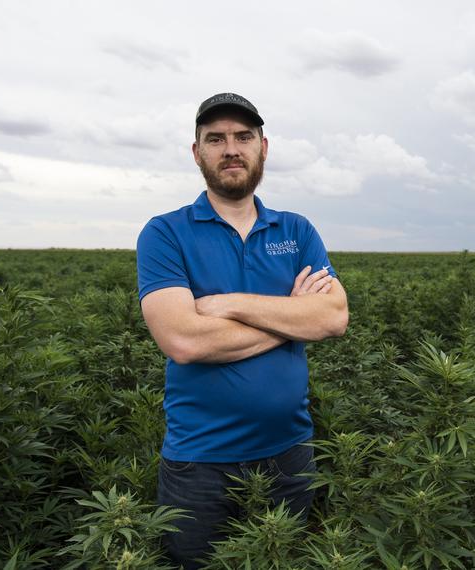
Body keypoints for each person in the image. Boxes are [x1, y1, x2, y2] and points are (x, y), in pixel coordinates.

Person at [136, 92, 348, 569]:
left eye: (242, 136)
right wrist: (293, 318)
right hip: (199, 464)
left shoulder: (296, 229)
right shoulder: (165, 233)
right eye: (216, 138)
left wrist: (230, 305)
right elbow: (184, 341)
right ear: (197, 153)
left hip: (291, 456)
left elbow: (332, 318)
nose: (231, 148)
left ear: (263, 147)